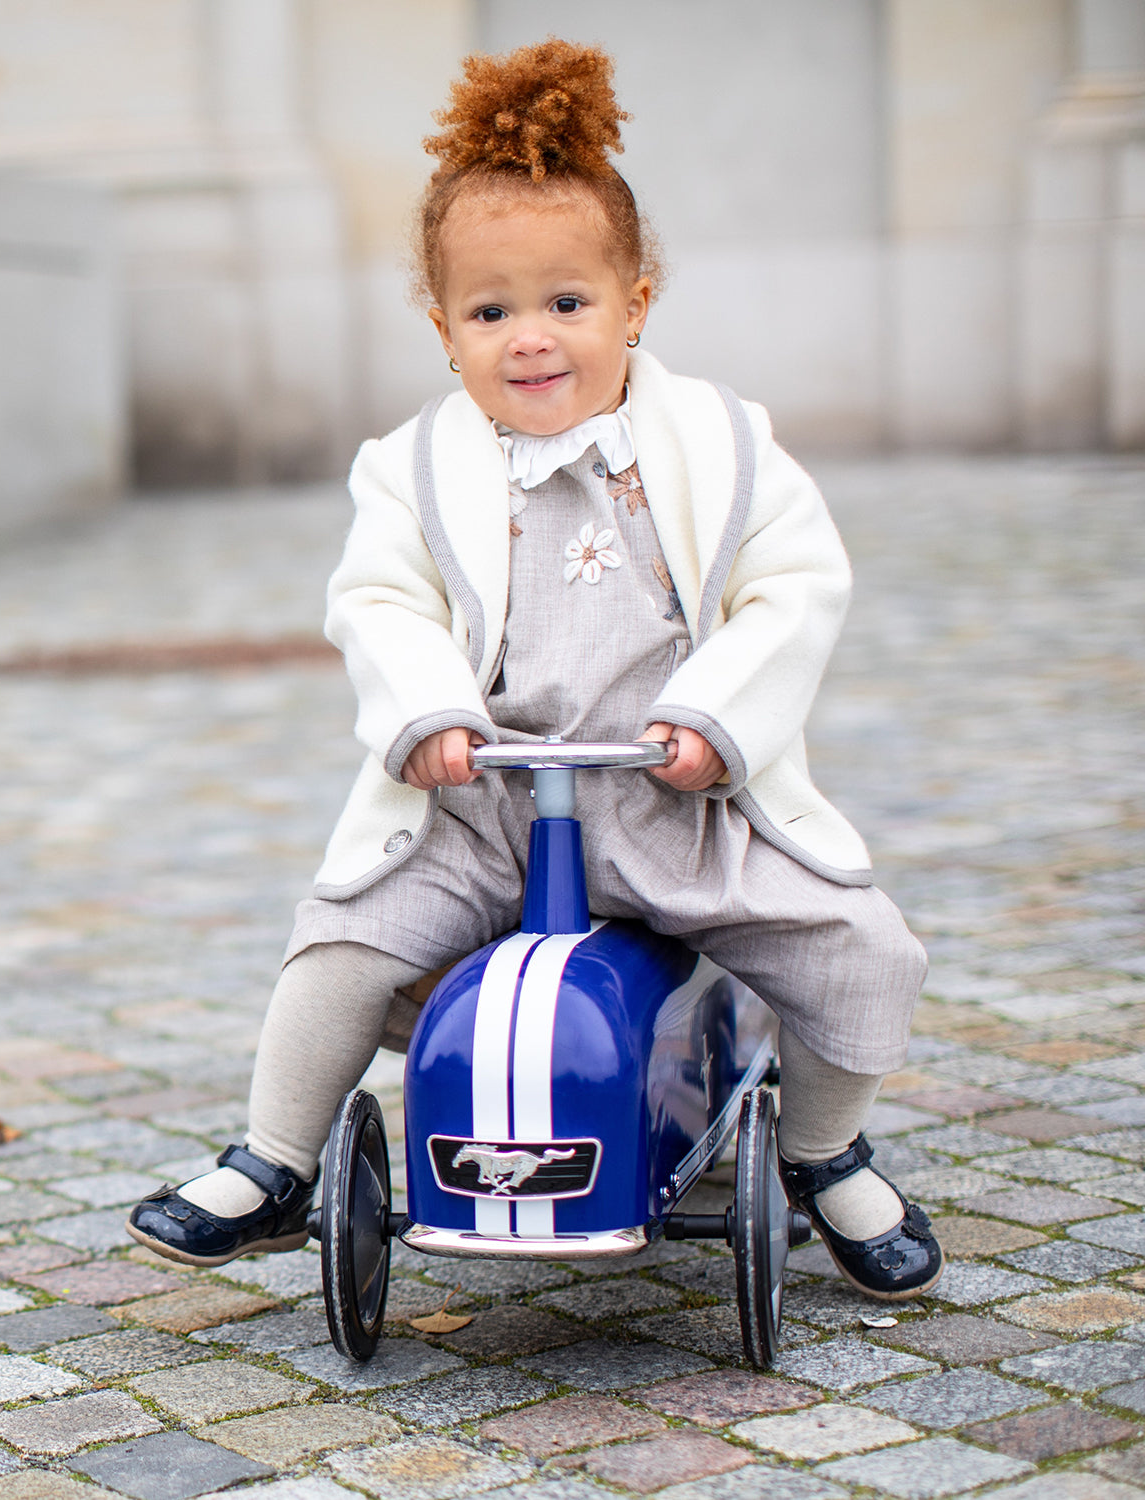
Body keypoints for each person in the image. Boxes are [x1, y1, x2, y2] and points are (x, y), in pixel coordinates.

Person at [128, 39, 942, 1300]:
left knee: (858, 947)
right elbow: (381, 601)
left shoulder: (722, 443)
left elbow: (796, 587)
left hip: (674, 797)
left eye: (568, 303)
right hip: (485, 804)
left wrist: (716, 718)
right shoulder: (409, 468)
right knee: (341, 942)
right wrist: (432, 714)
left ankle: (826, 1149)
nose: (531, 338)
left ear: (636, 299)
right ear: (442, 326)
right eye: (489, 310)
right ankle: (277, 1156)